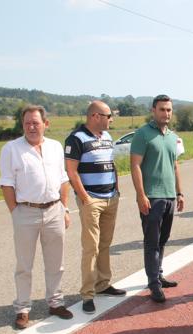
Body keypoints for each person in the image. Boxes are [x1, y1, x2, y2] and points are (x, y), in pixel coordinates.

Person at [0, 105, 73, 329]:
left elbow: (63, 179)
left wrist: (64, 209)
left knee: (56, 262)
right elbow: (7, 184)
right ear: (22, 125)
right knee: (24, 265)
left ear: (45, 124)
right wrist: (16, 212)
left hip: (54, 210)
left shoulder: (55, 147)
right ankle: (22, 308)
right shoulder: (11, 149)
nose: (31, 127)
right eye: (27, 123)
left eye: (36, 123)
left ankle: (55, 302)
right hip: (25, 212)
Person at [64, 101, 126, 315]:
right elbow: (71, 172)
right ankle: (88, 294)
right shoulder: (76, 138)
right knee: (91, 247)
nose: (111, 120)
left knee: (106, 244)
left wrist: (116, 189)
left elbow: (111, 164)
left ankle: (103, 284)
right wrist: (85, 198)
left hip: (111, 198)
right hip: (91, 199)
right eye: (108, 116)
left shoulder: (107, 138)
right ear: (95, 116)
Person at [130, 94, 183, 303]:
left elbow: (175, 165)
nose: (166, 113)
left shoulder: (173, 136)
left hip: (169, 196)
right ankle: (154, 284)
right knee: (152, 241)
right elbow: (135, 165)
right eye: (162, 109)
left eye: (169, 110)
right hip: (151, 197)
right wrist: (141, 195)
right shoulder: (142, 134)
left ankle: (158, 274)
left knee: (163, 240)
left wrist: (179, 192)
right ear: (153, 110)